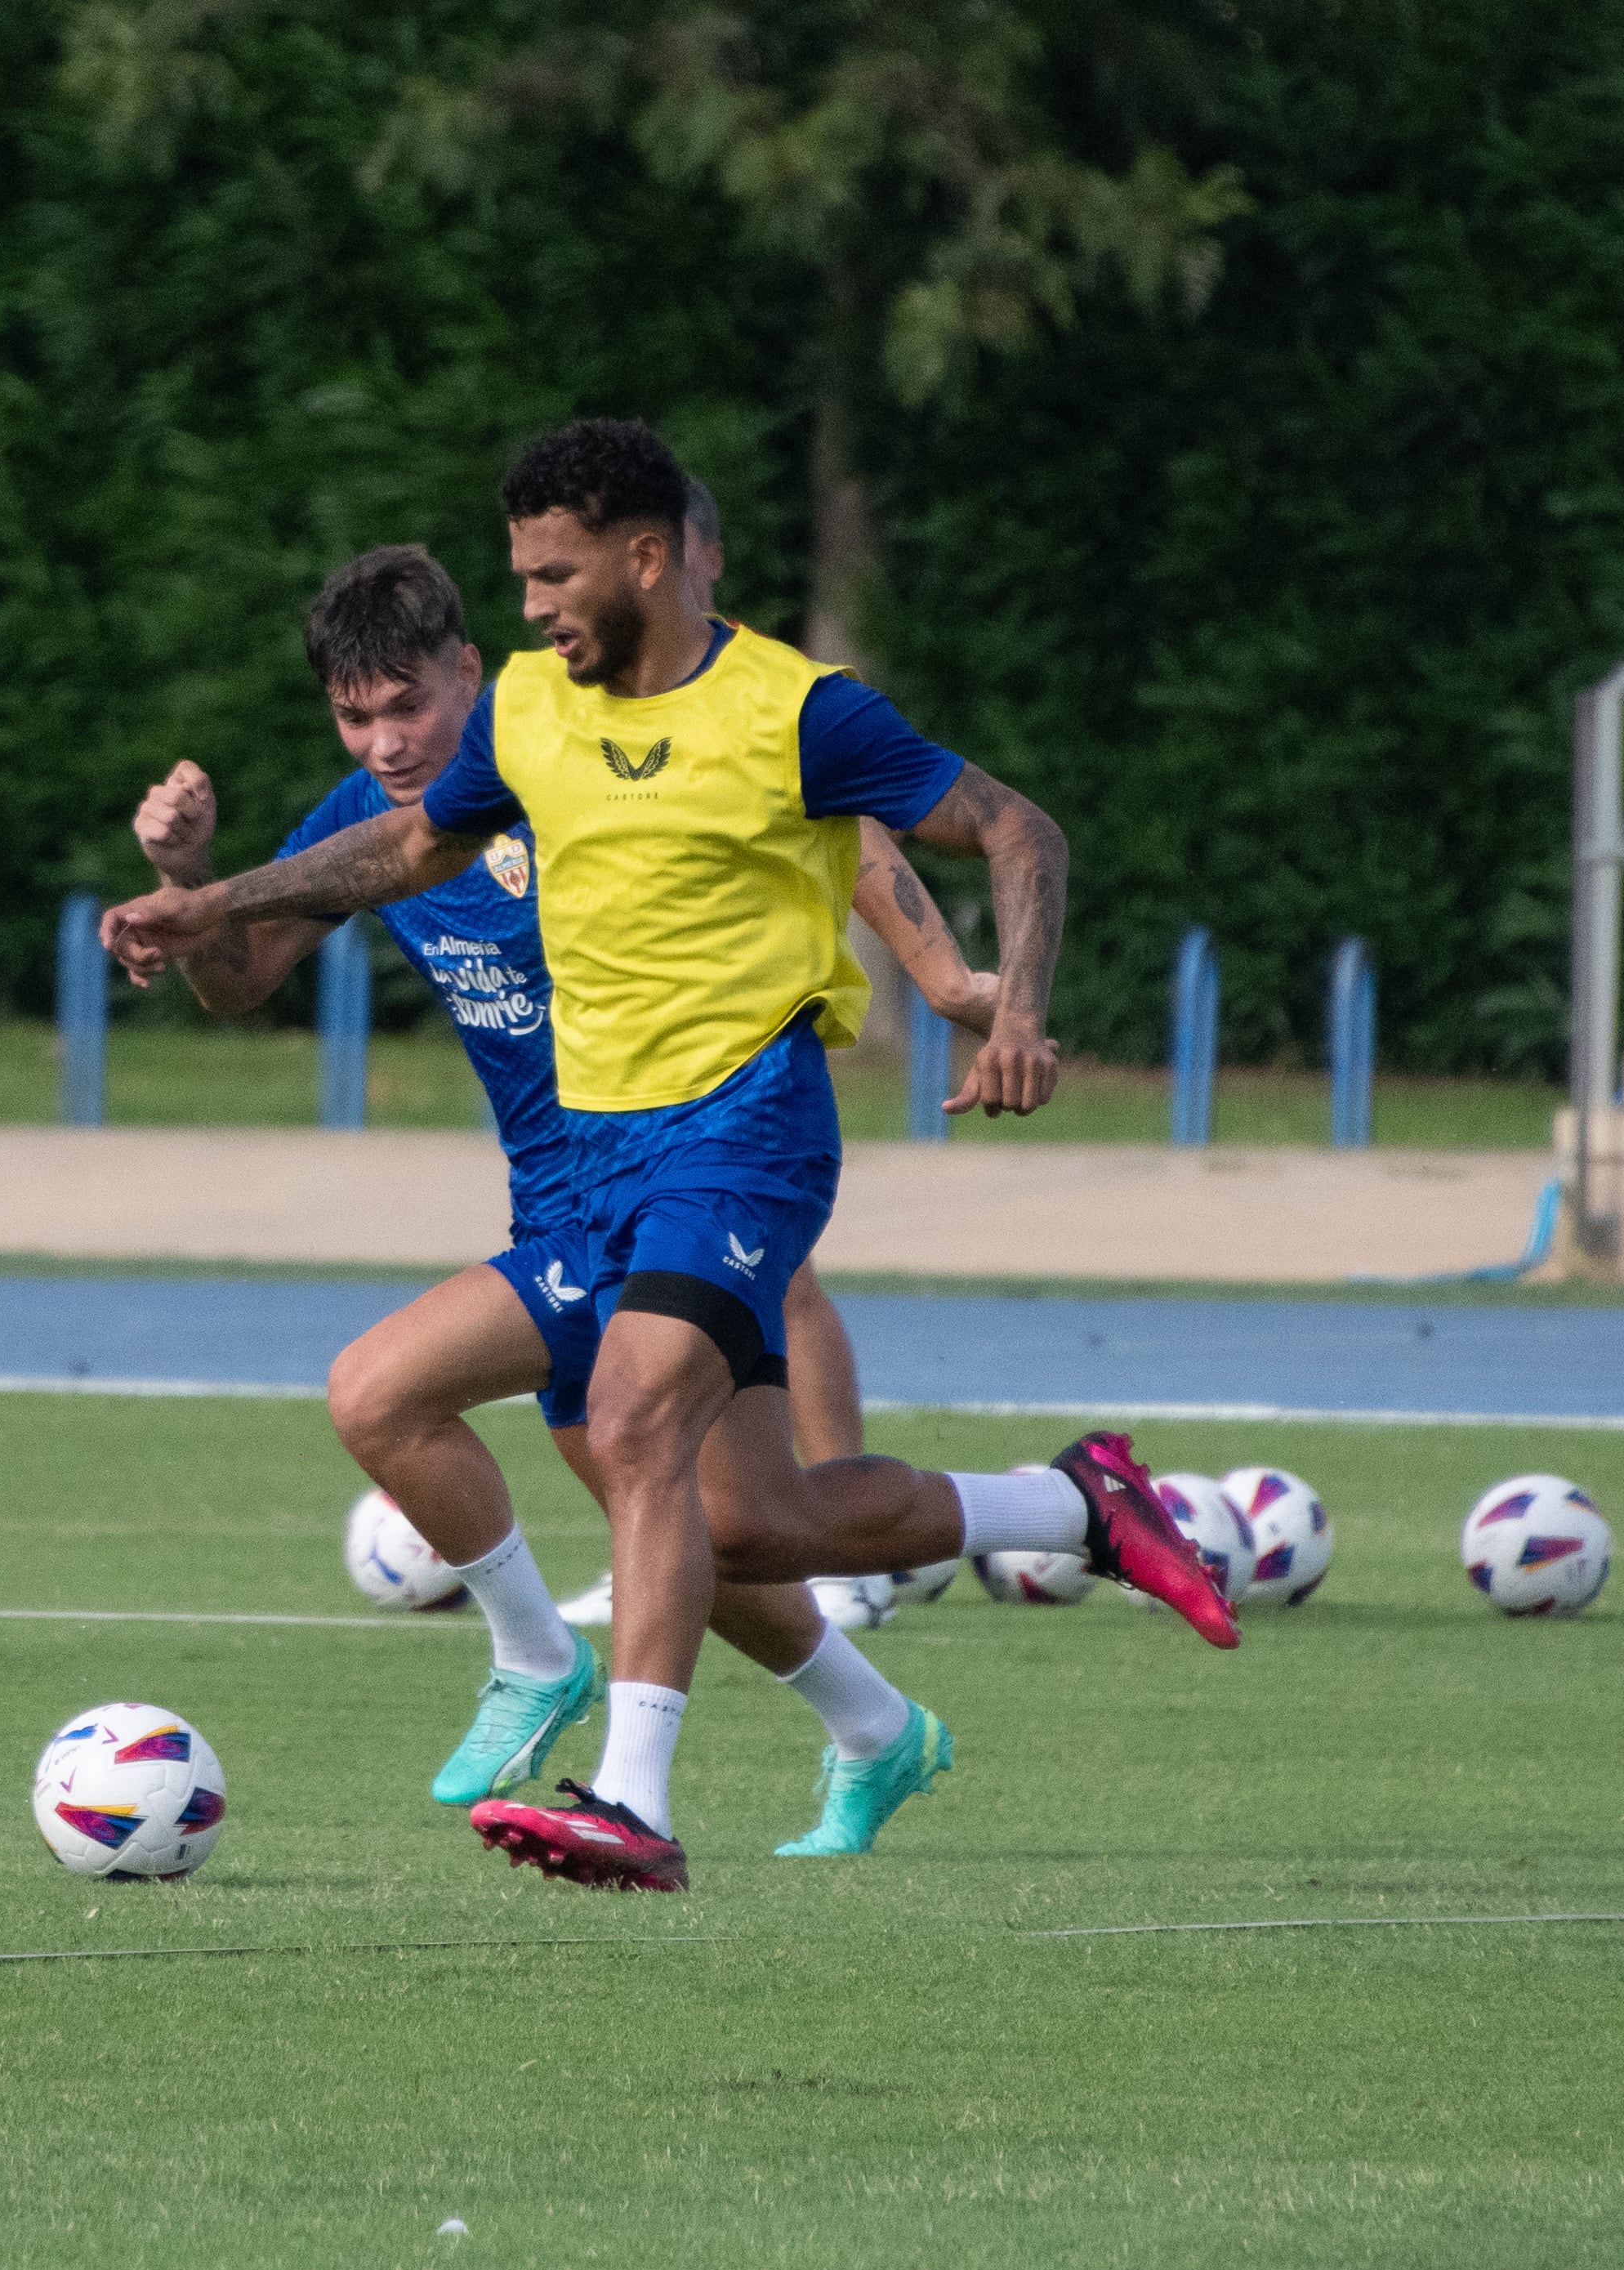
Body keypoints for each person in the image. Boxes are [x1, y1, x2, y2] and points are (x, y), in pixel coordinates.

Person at [107, 420, 1238, 1893]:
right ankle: (1065, 1511)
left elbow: (976, 834)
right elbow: (402, 854)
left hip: (745, 1121)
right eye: (518, 578)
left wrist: (991, 995)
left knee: (610, 1420)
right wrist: (208, 899)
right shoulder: (530, 716)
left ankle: (624, 1790)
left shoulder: (792, 708)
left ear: (647, 559)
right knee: (733, 1523)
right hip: (591, 1173)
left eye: (550, 573)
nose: (531, 603)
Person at [127, 541, 1000, 1856]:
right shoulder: (376, 826)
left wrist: (941, 972)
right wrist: (194, 883)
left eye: (407, 704)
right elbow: (240, 978)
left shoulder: (576, 751)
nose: (382, 741)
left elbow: (836, 819)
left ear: (471, 672)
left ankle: (549, 1674)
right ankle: (879, 1728)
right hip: (566, 1200)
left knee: (392, 1391)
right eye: (353, 715)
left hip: (690, 1149)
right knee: (698, 1524)